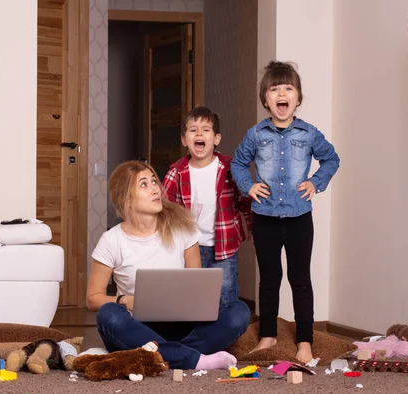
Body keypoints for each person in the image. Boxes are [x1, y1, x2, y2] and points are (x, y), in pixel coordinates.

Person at [86, 160, 250, 370]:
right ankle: (194, 358)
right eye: (144, 184)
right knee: (108, 315)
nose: (155, 188)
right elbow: (93, 299)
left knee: (239, 312)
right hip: (136, 327)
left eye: (154, 181)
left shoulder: (183, 229)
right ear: (125, 198)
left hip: (182, 325)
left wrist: (201, 304)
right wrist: (125, 300)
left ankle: (167, 355)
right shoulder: (111, 240)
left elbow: (196, 286)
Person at [231, 61, 340, 364]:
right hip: (264, 217)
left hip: (299, 217)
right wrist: (248, 186)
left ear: (298, 98)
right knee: (269, 279)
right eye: (274, 89)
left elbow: (331, 159)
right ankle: (268, 335)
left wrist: (315, 183)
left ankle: (304, 340)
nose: (282, 94)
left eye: (288, 88)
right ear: (265, 99)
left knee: (300, 278)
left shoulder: (308, 134)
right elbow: (238, 164)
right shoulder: (255, 134)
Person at [162, 106, 252, 309]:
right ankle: (197, 336)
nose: (199, 133)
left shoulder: (230, 168)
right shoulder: (176, 172)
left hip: (224, 245)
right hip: (189, 247)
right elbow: (164, 209)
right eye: (193, 130)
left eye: (206, 130)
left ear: (216, 139)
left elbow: (245, 201)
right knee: (192, 296)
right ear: (185, 140)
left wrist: (254, 230)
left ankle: (229, 337)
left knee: (225, 294)